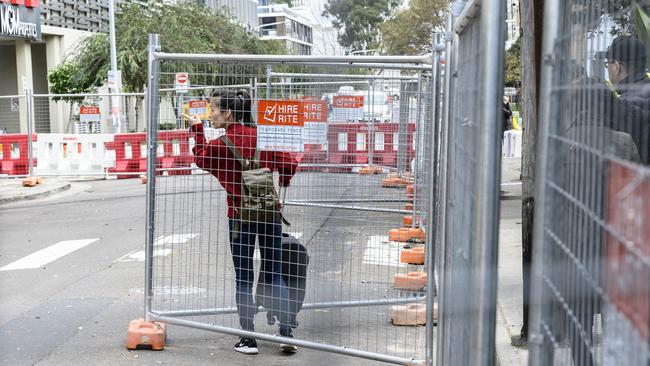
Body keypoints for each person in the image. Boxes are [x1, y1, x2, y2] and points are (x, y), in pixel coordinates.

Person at [188, 90, 298, 355]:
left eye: (213, 109)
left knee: (244, 278)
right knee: (274, 274)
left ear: (227, 113)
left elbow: (201, 157)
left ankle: (248, 339)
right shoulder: (265, 138)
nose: (210, 114)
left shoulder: (222, 145)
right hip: (270, 215)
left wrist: (196, 129)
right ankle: (286, 333)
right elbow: (289, 163)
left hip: (239, 218)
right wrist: (283, 181)